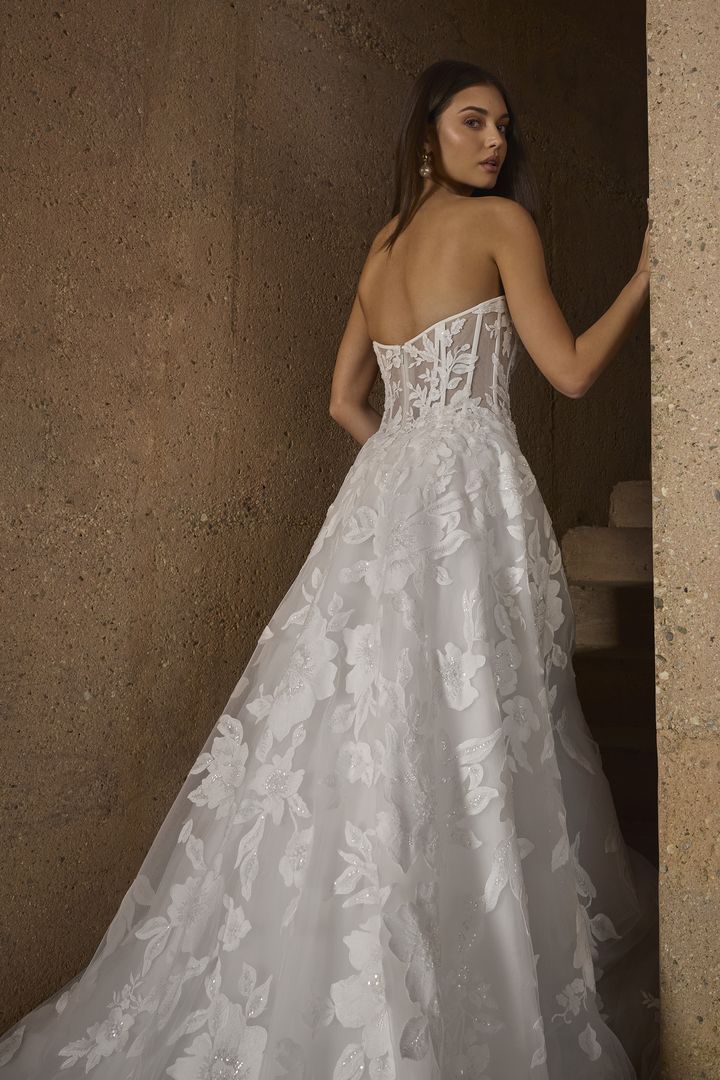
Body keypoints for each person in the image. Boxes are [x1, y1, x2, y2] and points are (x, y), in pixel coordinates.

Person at [0, 58, 658, 1079]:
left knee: (363, 722)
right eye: (475, 121)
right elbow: (569, 371)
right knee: (466, 714)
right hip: (462, 498)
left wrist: (405, 461)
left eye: (503, 129)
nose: (496, 142)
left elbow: (345, 402)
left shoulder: (384, 245)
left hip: (384, 497)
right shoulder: (500, 228)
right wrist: (651, 278)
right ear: (427, 132)